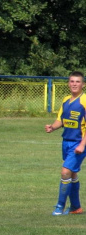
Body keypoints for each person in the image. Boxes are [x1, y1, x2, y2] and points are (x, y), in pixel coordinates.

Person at [45, 70, 86, 215]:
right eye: (72, 81)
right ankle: (76, 207)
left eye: (78, 81)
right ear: (69, 83)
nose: (74, 84)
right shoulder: (66, 100)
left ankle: (59, 207)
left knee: (65, 172)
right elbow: (60, 120)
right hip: (66, 142)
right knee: (72, 174)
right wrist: (52, 127)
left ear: (83, 84)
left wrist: (82, 144)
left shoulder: (84, 101)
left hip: (78, 143)